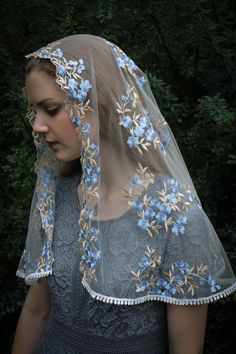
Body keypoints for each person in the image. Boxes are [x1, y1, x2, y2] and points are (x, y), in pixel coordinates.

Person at [12, 34, 236, 354]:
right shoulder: (57, 195)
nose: (37, 126)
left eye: (51, 109)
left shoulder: (176, 216)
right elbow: (37, 309)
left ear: (99, 104)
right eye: (35, 111)